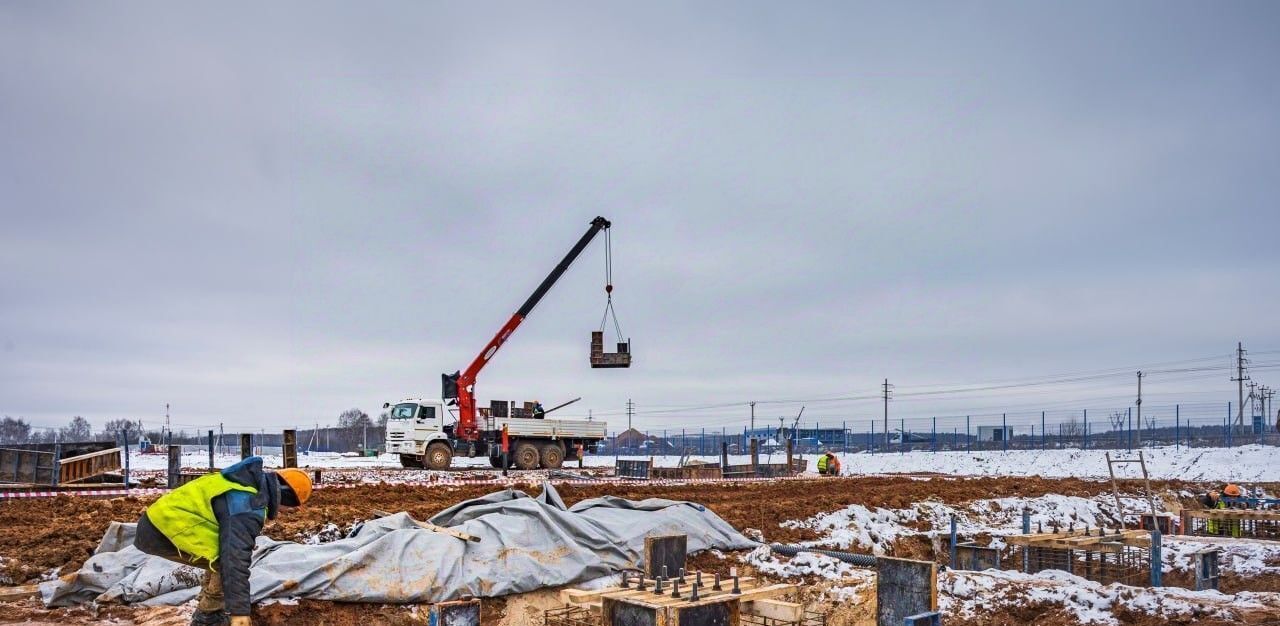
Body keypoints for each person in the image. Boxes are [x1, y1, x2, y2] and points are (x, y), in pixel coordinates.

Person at [133, 457, 313, 626]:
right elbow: (234, 562)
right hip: (162, 530)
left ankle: (210, 607)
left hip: (159, 521)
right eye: (289, 508)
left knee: (220, 555)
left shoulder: (242, 482)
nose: (285, 512)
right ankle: (207, 616)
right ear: (285, 497)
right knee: (225, 561)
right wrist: (240, 614)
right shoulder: (248, 506)